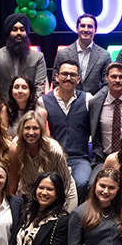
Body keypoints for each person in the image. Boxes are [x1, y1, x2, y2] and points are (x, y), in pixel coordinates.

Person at [38, 61, 92, 202]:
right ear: (57, 77)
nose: (68, 78)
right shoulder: (43, 101)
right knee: (54, 187)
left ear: (78, 79)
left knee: (82, 184)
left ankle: (77, 221)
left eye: (72, 75)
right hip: (54, 158)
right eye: (64, 74)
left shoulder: (87, 99)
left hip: (80, 158)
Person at [14, 111, 78, 212]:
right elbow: (25, 184)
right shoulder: (16, 147)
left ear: (41, 130)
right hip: (36, 196)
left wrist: (60, 208)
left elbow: (65, 181)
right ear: (21, 130)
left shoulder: (53, 150)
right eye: (27, 128)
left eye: (35, 128)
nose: (31, 133)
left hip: (63, 193)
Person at [88, 61, 122, 177]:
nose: (117, 80)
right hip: (103, 159)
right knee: (93, 185)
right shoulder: (95, 104)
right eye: (113, 76)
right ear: (107, 78)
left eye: (121, 77)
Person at [0, 14, 48, 100]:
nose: (18, 33)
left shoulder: (38, 57)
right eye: (14, 30)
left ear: (26, 32)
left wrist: (30, 107)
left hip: (29, 108)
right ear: (8, 32)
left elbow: (39, 87)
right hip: (1, 108)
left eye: (22, 29)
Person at [53, 13, 110, 94]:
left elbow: (107, 85)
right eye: (82, 26)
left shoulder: (104, 56)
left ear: (95, 30)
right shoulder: (63, 54)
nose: (86, 29)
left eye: (90, 26)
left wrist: (93, 101)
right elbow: (56, 83)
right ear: (77, 28)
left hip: (94, 104)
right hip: (68, 103)